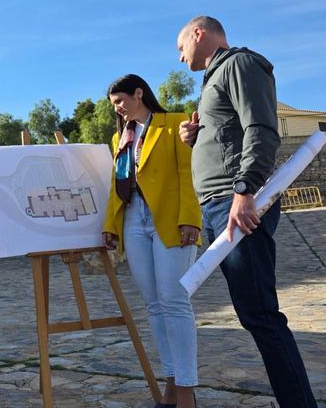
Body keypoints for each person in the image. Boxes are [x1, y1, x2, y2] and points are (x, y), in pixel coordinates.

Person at [176, 16, 317, 407]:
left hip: (234, 203)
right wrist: (196, 138)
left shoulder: (240, 63)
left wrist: (244, 189)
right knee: (254, 313)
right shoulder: (214, 79)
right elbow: (230, 136)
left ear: (199, 33)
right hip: (219, 205)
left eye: (181, 47)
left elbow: (261, 129)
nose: (180, 57)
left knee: (261, 315)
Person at [102, 74, 202, 408]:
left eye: (119, 101)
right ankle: (171, 382)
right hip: (133, 219)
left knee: (174, 300)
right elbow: (117, 184)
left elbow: (187, 174)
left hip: (170, 218)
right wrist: (110, 224)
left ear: (138, 93)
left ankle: (186, 390)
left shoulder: (174, 123)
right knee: (154, 305)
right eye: (113, 104)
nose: (117, 108)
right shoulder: (120, 137)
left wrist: (190, 217)